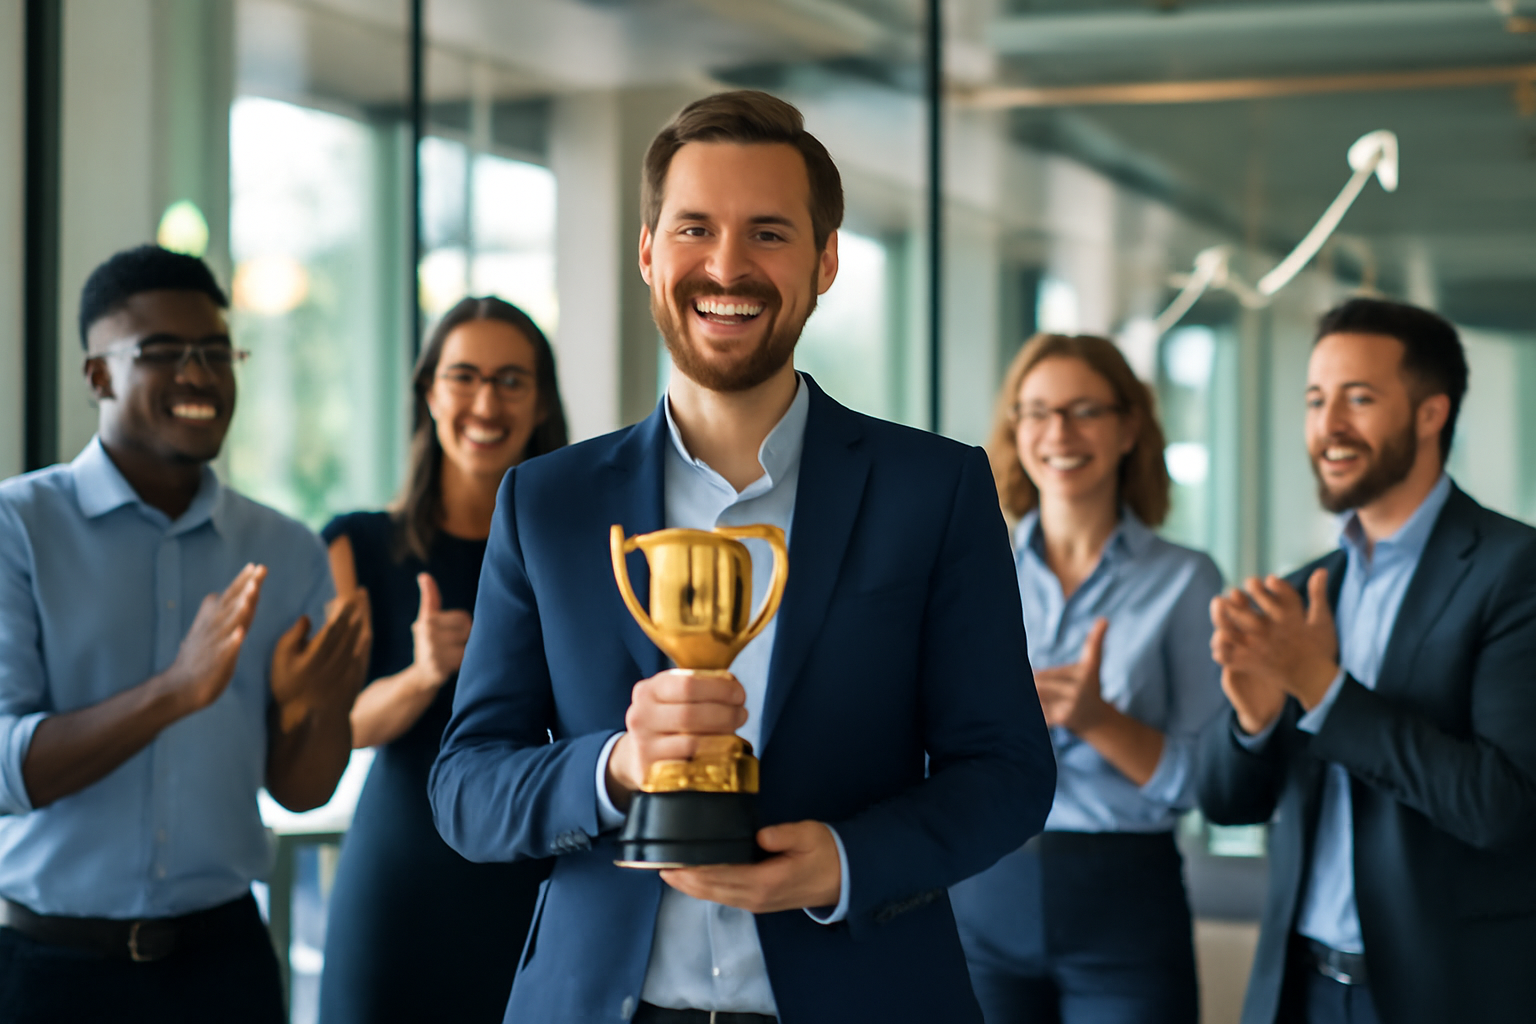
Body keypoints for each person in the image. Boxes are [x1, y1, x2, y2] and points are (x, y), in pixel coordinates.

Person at [428, 90, 1057, 1024]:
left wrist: (848, 860)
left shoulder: (937, 490)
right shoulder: (548, 503)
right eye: (693, 229)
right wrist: (614, 768)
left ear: (826, 260)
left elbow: (1009, 771)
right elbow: (466, 786)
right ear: (648, 253)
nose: (727, 265)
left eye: (768, 232)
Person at [0, 245, 369, 1024]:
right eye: (163, 353)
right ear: (98, 374)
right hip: (49, 971)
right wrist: (176, 691)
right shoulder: (19, 528)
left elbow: (299, 790)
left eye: (214, 352)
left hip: (224, 967)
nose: (199, 375)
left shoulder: (286, 548)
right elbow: (8, 772)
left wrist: (316, 709)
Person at [1197, 297, 1536, 1024]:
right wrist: (1254, 720)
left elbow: (1504, 807)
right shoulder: (1304, 592)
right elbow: (1225, 803)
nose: (1329, 426)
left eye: (1359, 398)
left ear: (1430, 413)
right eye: (1316, 400)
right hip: (1299, 990)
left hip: (1443, 996)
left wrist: (1321, 689)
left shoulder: (1516, 571)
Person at [949, 334, 1224, 1024]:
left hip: (1124, 904)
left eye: (1084, 411)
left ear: (1129, 426)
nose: (1058, 433)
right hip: (982, 893)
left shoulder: (1186, 581)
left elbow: (1206, 779)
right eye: (1036, 412)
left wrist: (1098, 719)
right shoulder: (967, 571)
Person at [317, 296, 567, 1024]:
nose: (486, 401)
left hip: (536, 871)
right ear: (429, 392)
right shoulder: (355, 544)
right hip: (400, 879)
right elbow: (339, 729)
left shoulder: (584, 550)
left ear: (542, 400)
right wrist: (422, 675)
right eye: (463, 376)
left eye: (512, 379)